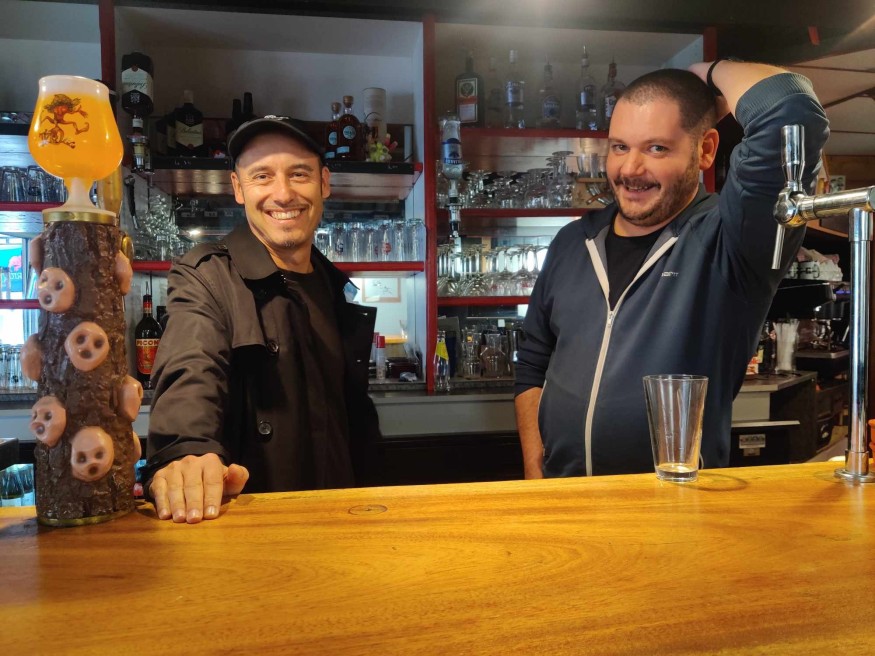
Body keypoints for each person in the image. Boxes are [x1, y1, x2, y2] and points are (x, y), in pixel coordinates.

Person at [514, 60, 829, 479]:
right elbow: (532, 362)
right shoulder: (573, 242)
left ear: (706, 150)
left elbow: (791, 110)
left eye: (656, 148)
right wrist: (535, 469)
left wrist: (708, 70)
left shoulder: (732, 240)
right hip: (566, 499)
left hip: (675, 503)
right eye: (620, 147)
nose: (630, 169)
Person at [143, 116, 381, 522]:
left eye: (299, 174)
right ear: (239, 188)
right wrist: (186, 451)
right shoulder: (207, 276)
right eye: (262, 176)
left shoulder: (332, 285)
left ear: (324, 183)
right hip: (254, 524)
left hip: (341, 517)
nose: (283, 194)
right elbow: (191, 366)